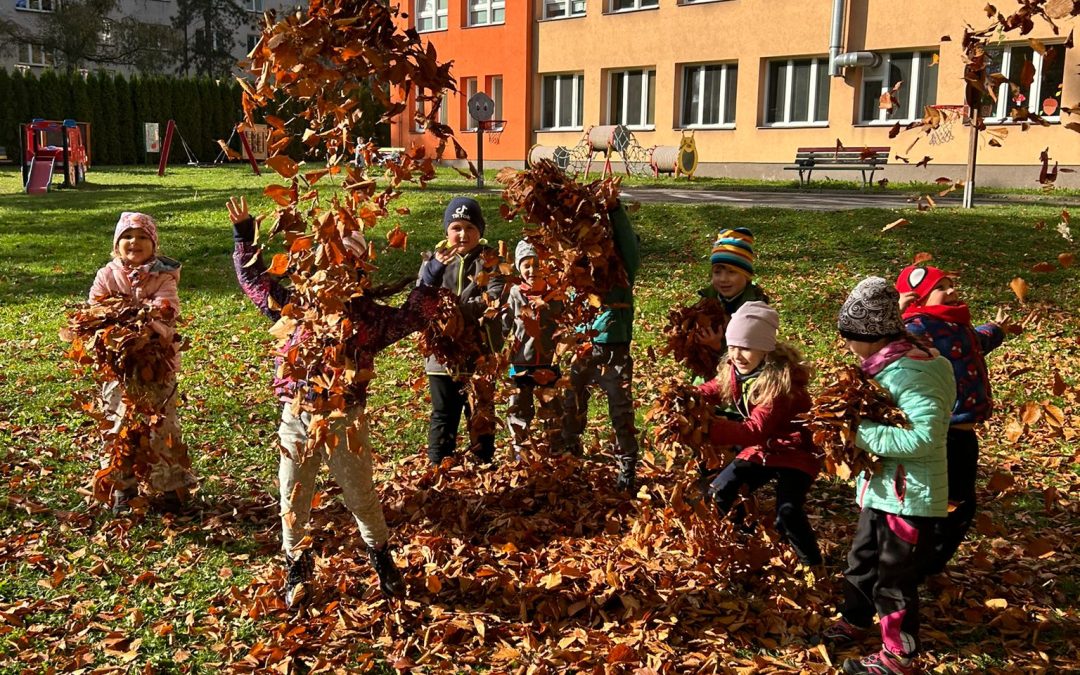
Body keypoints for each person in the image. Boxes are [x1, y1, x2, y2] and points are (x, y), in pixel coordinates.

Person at [229, 196, 436, 607]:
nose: (334, 273)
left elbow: (411, 317)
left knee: (360, 493)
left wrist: (429, 279)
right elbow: (256, 283)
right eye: (327, 263)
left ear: (358, 272)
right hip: (298, 415)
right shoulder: (295, 307)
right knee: (293, 492)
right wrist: (244, 237)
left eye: (346, 266)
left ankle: (380, 555)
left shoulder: (369, 319)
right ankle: (297, 563)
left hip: (346, 420)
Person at [824, 277, 955, 675]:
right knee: (861, 559)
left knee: (892, 578)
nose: (847, 345)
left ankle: (899, 655)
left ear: (872, 335)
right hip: (884, 490)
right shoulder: (888, 365)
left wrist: (858, 433)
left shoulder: (914, 373)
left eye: (850, 337)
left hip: (910, 497)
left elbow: (924, 436)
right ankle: (857, 617)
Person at [895, 265, 1008, 575]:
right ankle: (911, 564)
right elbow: (886, 345)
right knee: (943, 504)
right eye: (941, 287)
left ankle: (922, 565)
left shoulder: (957, 326)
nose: (952, 290)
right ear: (918, 298)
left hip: (964, 434)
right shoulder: (917, 327)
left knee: (959, 505)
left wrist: (998, 329)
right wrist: (897, 313)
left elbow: (979, 340)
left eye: (950, 284)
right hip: (941, 431)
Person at [699, 302, 822, 566]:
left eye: (746, 347)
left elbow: (753, 430)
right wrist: (686, 397)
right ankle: (739, 544)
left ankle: (813, 564)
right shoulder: (735, 368)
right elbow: (715, 387)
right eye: (732, 347)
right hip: (765, 448)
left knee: (787, 512)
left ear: (765, 349)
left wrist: (706, 430)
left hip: (795, 450)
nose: (737, 354)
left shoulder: (779, 385)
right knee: (719, 490)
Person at [88, 211, 195, 514]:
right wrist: (124, 321)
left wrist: (135, 317)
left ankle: (172, 486)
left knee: (163, 425)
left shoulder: (163, 277)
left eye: (142, 237)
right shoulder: (106, 275)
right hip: (118, 367)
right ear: (117, 244)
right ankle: (123, 486)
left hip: (158, 364)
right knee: (118, 424)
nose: (134, 242)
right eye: (127, 237)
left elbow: (166, 311)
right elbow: (96, 309)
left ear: (154, 244)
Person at [417, 197, 506, 465]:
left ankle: (483, 464)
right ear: (447, 231)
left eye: (470, 228)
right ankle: (438, 465)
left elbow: (493, 299)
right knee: (444, 412)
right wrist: (435, 272)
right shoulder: (435, 260)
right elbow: (421, 298)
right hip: (441, 351)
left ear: (480, 231)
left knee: (480, 410)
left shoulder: (490, 261)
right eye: (456, 227)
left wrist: (453, 311)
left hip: (480, 349)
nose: (463, 234)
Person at [561, 201, 641, 491]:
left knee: (620, 408)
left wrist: (615, 210)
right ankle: (570, 454)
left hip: (614, 348)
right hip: (582, 347)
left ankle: (627, 463)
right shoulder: (580, 273)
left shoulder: (623, 270)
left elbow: (627, 244)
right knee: (572, 403)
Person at [501, 240, 564, 456]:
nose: (532, 271)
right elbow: (506, 321)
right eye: (526, 265)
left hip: (548, 359)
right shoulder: (515, 293)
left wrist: (547, 305)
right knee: (519, 404)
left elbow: (563, 316)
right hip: (521, 360)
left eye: (537, 265)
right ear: (519, 268)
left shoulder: (554, 294)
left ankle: (555, 445)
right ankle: (520, 447)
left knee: (553, 406)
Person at [694, 227, 771, 369]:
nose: (723, 279)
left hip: (742, 375)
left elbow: (753, 357)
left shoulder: (755, 310)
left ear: (746, 276)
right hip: (707, 374)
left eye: (732, 272)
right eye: (717, 272)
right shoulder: (707, 301)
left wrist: (717, 346)